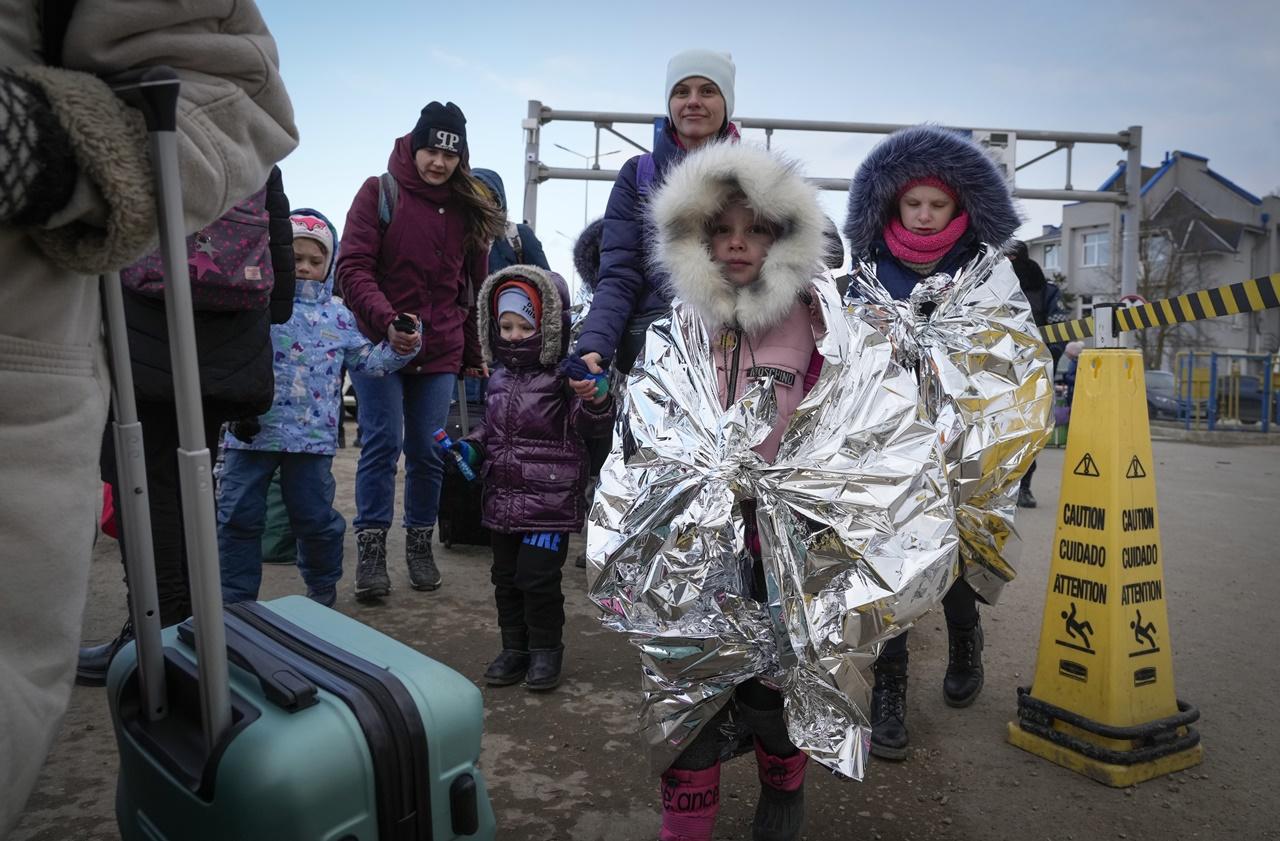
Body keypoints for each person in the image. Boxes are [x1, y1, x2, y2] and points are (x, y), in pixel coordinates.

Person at [0, 0, 297, 832]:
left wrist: (41, 146)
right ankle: (167, 636)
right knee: (170, 495)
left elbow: (233, 91)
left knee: (158, 495)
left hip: (144, 326)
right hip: (200, 334)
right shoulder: (262, 181)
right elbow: (279, 279)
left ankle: (167, 637)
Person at [628, 142, 832, 841]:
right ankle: (685, 825)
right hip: (692, 543)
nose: (737, 243)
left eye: (756, 229)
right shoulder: (679, 325)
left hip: (781, 543)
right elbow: (646, 428)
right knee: (686, 690)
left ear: (784, 237)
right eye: (721, 229)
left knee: (773, 689)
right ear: (696, 237)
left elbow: (845, 423)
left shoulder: (816, 319)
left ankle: (784, 784)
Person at [843, 124, 1023, 761]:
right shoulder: (867, 273)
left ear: (959, 206)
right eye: (912, 203)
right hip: (887, 441)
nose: (923, 215)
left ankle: (965, 636)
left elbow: (1014, 356)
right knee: (890, 560)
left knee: (958, 547)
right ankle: (889, 687)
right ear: (892, 205)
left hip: (964, 439)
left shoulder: (987, 273)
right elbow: (846, 353)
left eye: (937, 204)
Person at [80, 163, 296, 686]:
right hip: (231, 327)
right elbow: (279, 257)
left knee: (143, 483)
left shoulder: (137, 132)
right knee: (192, 478)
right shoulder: (248, 146)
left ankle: (155, 633)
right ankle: (190, 627)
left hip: (143, 322)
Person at [337, 101, 505, 602]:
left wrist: (473, 352)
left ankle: (419, 544)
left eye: (450, 155)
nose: (438, 162)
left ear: (461, 157)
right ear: (414, 146)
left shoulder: (469, 209)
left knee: (430, 451)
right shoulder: (378, 192)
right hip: (378, 347)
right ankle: (371, 550)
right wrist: (387, 320)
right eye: (431, 150)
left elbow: (471, 289)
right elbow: (352, 268)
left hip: (440, 351)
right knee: (382, 443)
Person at [217, 210, 420, 608]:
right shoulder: (254, 305)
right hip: (251, 434)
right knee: (236, 517)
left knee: (314, 520)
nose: (305, 268)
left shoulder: (340, 317)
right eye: (294, 259)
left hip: (311, 443)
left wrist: (403, 345)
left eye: (315, 260)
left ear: (330, 264)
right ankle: (234, 603)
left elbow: (370, 363)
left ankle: (321, 593)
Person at [442, 265, 612, 691]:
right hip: (502, 497)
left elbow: (591, 425)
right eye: (506, 326)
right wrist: (472, 447)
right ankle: (514, 648)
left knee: (538, 579)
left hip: (548, 502)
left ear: (549, 325)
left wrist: (596, 399)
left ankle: (545, 650)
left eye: (525, 325)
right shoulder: (499, 376)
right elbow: (491, 428)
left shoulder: (564, 376)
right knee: (505, 578)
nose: (514, 335)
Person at [571, 48, 740, 384]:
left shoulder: (758, 177)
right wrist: (595, 345)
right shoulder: (638, 175)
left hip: (734, 357)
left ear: (727, 103)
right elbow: (619, 273)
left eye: (708, 90)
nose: (693, 101)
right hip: (654, 362)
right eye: (681, 92)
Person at [465, 168, 551, 403]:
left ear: (498, 202)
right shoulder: (451, 241)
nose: (478, 205)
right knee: (458, 419)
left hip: (510, 352)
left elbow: (550, 291)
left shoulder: (518, 237)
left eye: (486, 198)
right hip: (463, 357)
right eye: (471, 197)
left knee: (505, 413)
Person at [1007, 239, 1065, 508]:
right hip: (995, 374)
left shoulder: (1045, 292)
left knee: (1029, 433)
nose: (1009, 265)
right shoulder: (990, 287)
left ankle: (1023, 487)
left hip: (1034, 374)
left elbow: (1060, 331)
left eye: (1012, 259)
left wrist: (1044, 361)